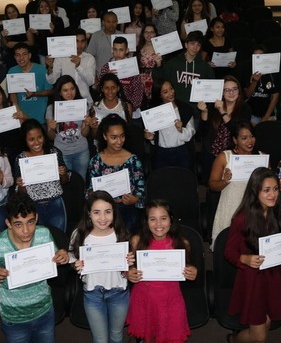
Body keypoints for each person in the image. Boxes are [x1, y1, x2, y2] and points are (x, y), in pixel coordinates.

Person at [0, 191, 69, 342]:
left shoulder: (44, 234)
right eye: (18, 224)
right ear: (8, 223)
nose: (26, 230)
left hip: (45, 311)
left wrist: (62, 255)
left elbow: (56, 259)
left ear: (37, 218)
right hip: (14, 319)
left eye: (31, 222)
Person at [224, 167, 281, 343]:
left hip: (274, 275)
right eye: (266, 190)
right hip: (253, 279)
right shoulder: (241, 218)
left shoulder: (279, 212)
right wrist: (244, 258)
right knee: (259, 336)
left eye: (275, 189)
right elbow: (229, 251)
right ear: (255, 191)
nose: (272, 194)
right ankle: (236, 340)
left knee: (266, 322)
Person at [126, 199, 197, 342]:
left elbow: (188, 266)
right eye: (153, 219)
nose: (158, 224)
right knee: (146, 336)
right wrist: (129, 273)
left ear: (171, 220)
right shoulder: (136, 241)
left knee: (172, 335)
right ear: (146, 222)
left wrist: (193, 271)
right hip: (144, 298)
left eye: (163, 218)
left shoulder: (182, 243)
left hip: (171, 298)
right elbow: (128, 267)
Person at [69, 191, 133, 343]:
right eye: (97, 212)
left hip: (119, 293)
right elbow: (72, 258)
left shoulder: (121, 234)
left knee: (117, 336)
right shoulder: (79, 234)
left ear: (114, 213)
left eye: (108, 212)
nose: (103, 218)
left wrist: (129, 264)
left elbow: (127, 272)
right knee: (100, 339)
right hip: (93, 295)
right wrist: (75, 265)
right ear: (89, 214)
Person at [88, 114, 144, 233]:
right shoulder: (96, 161)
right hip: (104, 212)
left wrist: (134, 199)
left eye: (122, 136)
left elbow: (140, 187)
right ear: (105, 136)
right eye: (114, 137)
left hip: (127, 209)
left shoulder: (133, 160)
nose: (119, 141)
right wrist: (94, 195)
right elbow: (90, 190)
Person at [14, 119, 70, 232]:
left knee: (58, 239)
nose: (36, 142)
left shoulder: (54, 152)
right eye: (31, 139)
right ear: (25, 140)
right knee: (37, 243)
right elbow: (21, 192)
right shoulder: (20, 159)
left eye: (39, 137)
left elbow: (65, 181)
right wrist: (21, 185)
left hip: (55, 204)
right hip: (33, 207)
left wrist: (63, 173)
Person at [209, 121, 260, 246]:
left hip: (254, 209)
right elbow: (212, 185)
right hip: (231, 207)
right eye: (244, 138)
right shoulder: (224, 157)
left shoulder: (261, 158)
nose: (250, 141)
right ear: (235, 140)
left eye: (252, 136)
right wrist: (224, 181)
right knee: (228, 246)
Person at [198, 75, 252, 181]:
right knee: (212, 187)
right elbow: (201, 133)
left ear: (239, 91)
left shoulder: (245, 109)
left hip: (233, 155)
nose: (231, 93)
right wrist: (204, 113)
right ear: (221, 93)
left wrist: (223, 112)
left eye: (234, 89)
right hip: (211, 154)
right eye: (227, 90)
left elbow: (238, 132)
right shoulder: (212, 107)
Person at [46, 75, 92, 181]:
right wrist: (52, 128)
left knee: (81, 181)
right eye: (65, 90)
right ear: (59, 92)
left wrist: (87, 124)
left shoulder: (82, 105)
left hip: (81, 151)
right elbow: (51, 136)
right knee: (65, 183)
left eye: (72, 89)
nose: (69, 93)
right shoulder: (52, 108)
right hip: (62, 153)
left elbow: (85, 134)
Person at [144, 80, 195, 170]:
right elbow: (153, 137)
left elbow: (192, 131)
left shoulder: (184, 108)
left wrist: (181, 130)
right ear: (159, 94)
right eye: (165, 92)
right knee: (163, 181)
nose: (171, 93)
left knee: (183, 180)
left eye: (171, 89)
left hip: (182, 151)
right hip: (161, 152)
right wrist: (150, 137)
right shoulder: (154, 111)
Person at [153, 30, 214, 106]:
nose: (195, 47)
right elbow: (158, 80)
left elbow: (210, 91)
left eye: (198, 45)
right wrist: (158, 66)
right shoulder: (173, 63)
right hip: (176, 106)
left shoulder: (205, 67)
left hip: (196, 109)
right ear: (186, 45)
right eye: (192, 44)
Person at [99, 36, 146, 119]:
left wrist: (129, 109)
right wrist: (107, 77)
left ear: (127, 50)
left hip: (131, 112)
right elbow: (100, 89)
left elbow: (138, 93)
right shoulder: (106, 68)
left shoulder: (133, 68)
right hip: (108, 111)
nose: (118, 53)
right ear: (112, 50)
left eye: (121, 50)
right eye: (115, 49)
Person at [46, 29, 96, 106]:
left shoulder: (89, 58)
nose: (79, 45)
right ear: (70, 41)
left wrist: (79, 66)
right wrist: (50, 67)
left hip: (85, 100)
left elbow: (91, 82)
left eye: (82, 41)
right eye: (77, 41)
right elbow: (52, 81)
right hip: (65, 101)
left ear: (86, 42)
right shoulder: (61, 57)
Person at [7, 42, 53, 125]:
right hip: (22, 118)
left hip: (40, 118)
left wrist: (35, 94)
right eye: (18, 55)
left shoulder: (42, 70)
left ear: (29, 55)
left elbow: (50, 91)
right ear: (14, 57)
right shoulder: (12, 72)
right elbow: (12, 95)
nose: (21, 58)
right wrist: (18, 111)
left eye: (24, 54)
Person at [245, 45, 280, 125]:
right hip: (252, 113)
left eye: (261, 56)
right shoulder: (248, 71)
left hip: (268, 112)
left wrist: (266, 117)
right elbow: (247, 95)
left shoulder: (272, 73)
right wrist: (254, 81)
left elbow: (275, 96)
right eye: (256, 56)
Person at [90, 73, 133, 137]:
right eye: (106, 88)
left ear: (118, 88)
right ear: (102, 89)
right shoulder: (96, 107)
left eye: (113, 88)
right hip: (102, 145)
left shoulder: (126, 107)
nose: (110, 91)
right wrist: (94, 127)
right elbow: (95, 135)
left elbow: (128, 132)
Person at [86, 11, 123, 76]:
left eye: (114, 22)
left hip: (120, 74)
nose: (111, 24)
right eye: (108, 22)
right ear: (103, 22)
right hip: (100, 75)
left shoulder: (122, 35)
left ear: (117, 22)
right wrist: (94, 75)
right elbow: (90, 57)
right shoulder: (96, 36)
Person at [1, 3, 35, 69]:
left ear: (17, 11)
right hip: (12, 53)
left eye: (13, 11)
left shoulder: (25, 22)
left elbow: (31, 42)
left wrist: (15, 44)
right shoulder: (5, 26)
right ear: (7, 15)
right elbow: (5, 44)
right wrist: (3, 36)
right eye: (9, 13)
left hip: (26, 50)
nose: (12, 14)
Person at [136, 23, 162, 99]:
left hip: (155, 80)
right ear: (143, 34)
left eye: (152, 32)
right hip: (141, 82)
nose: (149, 34)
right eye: (146, 32)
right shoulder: (138, 49)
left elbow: (165, 69)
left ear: (155, 34)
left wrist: (159, 64)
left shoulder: (160, 50)